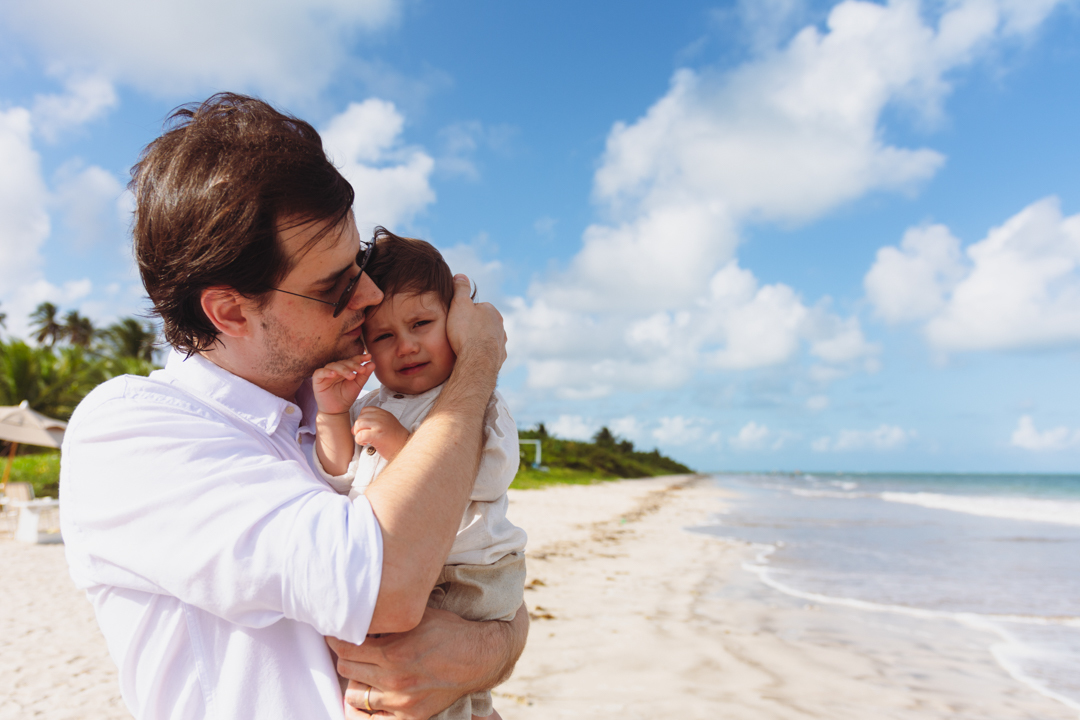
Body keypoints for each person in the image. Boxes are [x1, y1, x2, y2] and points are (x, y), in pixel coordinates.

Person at [59, 93, 527, 720]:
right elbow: (386, 582)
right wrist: (477, 361)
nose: (370, 293)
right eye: (335, 284)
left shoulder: (346, 403)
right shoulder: (131, 432)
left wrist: (486, 650)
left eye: (359, 263)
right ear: (230, 310)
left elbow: (488, 585)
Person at [312, 229, 527, 720]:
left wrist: (400, 445)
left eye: (421, 324)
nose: (406, 346)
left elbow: (489, 477)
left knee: (439, 688)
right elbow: (340, 475)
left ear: (454, 323)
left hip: (468, 571)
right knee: (414, 687)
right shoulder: (373, 402)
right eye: (384, 336)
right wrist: (332, 415)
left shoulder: (476, 399)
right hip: (407, 566)